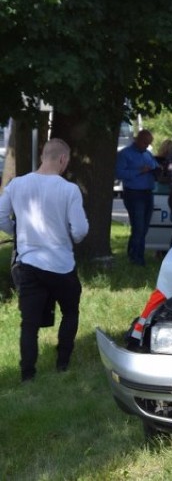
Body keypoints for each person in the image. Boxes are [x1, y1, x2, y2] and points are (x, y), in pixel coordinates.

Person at [0, 138, 89, 381]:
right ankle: (62, 363)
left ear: (42, 156)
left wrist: (18, 234)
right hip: (61, 264)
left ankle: (27, 374)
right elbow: (80, 230)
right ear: (63, 159)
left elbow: (0, 216)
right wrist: (69, 237)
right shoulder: (69, 190)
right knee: (70, 312)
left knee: (28, 323)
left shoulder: (17, 184)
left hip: (28, 263)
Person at [115, 129, 159, 266]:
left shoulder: (148, 154)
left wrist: (157, 170)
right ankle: (136, 258)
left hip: (147, 192)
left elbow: (155, 166)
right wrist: (139, 171)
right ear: (138, 140)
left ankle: (136, 253)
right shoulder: (125, 154)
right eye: (145, 142)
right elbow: (119, 173)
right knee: (138, 226)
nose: (147, 146)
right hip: (134, 193)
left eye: (149, 143)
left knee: (144, 227)